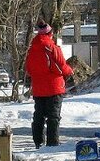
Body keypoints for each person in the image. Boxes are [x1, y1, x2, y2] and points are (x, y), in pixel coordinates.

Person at [24, 18, 74, 148]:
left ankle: (38, 142)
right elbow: (61, 66)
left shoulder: (32, 48)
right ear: (49, 33)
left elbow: (28, 68)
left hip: (38, 89)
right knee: (53, 117)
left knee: (38, 116)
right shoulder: (51, 47)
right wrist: (70, 71)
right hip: (54, 87)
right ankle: (52, 143)